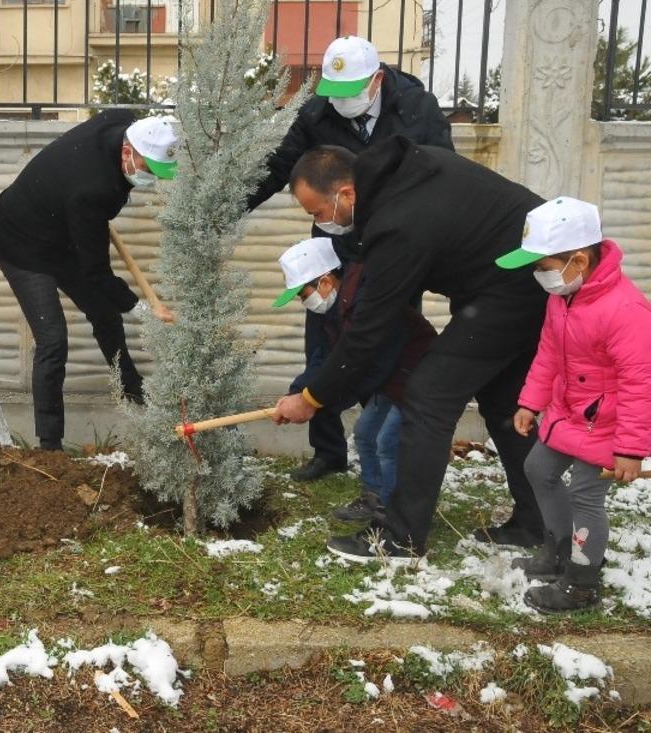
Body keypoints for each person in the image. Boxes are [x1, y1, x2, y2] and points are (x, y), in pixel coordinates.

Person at [271, 139, 549, 563]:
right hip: (511, 281)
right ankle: (538, 523)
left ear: (346, 193)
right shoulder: (403, 175)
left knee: (427, 396)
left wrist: (313, 399)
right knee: (503, 404)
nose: (320, 222)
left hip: (516, 285)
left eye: (317, 212)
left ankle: (401, 537)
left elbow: (369, 333)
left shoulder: (398, 221)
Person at [246, 36, 453, 484]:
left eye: (350, 91)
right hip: (334, 237)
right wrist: (229, 204)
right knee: (324, 331)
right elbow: (281, 164)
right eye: (333, 92)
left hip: (397, 243)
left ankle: (385, 442)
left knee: (385, 335)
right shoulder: (317, 112)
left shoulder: (416, 109)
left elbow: (442, 172)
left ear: (377, 80)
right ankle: (328, 450)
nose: (340, 101)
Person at [495, 197, 651, 613]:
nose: (538, 275)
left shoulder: (626, 311)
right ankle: (558, 549)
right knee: (538, 469)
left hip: (609, 425)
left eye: (542, 266)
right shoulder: (563, 298)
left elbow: (641, 382)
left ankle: (582, 582)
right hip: (569, 413)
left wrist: (631, 450)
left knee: (585, 494)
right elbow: (548, 353)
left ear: (578, 260)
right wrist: (531, 401)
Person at [0, 113, 177, 451]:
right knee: (53, 339)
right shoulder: (93, 191)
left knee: (105, 312)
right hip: (21, 242)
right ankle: (50, 445)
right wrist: (144, 310)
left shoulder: (120, 122)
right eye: (149, 169)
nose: (152, 179)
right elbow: (97, 273)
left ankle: (132, 389)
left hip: (64, 230)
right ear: (127, 153)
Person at [273, 237, 434, 521]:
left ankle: (396, 511)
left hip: (418, 372)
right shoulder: (331, 310)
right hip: (389, 377)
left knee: (387, 441)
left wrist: (318, 401)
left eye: (302, 293)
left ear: (324, 282)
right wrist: (298, 394)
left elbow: (368, 365)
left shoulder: (367, 300)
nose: (304, 301)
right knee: (364, 434)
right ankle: (375, 498)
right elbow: (324, 359)